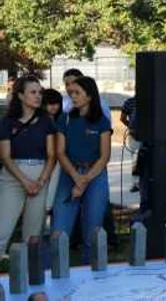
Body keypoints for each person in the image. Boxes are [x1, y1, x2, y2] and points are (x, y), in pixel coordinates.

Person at [51, 76, 112, 263]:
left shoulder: (101, 121)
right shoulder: (65, 118)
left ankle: (92, 274)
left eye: (77, 93)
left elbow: (104, 157)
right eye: (71, 93)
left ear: (90, 95)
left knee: (93, 228)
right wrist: (76, 177)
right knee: (59, 229)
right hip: (69, 174)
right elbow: (60, 152)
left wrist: (84, 180)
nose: (73, 97)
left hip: (95, 175)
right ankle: (56, 271)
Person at [0, 76, 57, 257]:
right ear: (20, 96)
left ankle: (28, 269)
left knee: (33, 234)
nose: (38, 96)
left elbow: (52, 155)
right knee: (3, 228)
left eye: (40, 92)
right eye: (33, 92)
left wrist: (40, 181)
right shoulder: (7, 122)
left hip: (40, 176)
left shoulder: (46, 121)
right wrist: (25, 181)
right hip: (13, 177)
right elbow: (5, 157)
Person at [41, 88, 64, 214]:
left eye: (57, 103)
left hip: (58, 160)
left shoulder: (61, 120)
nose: (54, 107)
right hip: (45, 159)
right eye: (50, 103)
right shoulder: (41, 120)